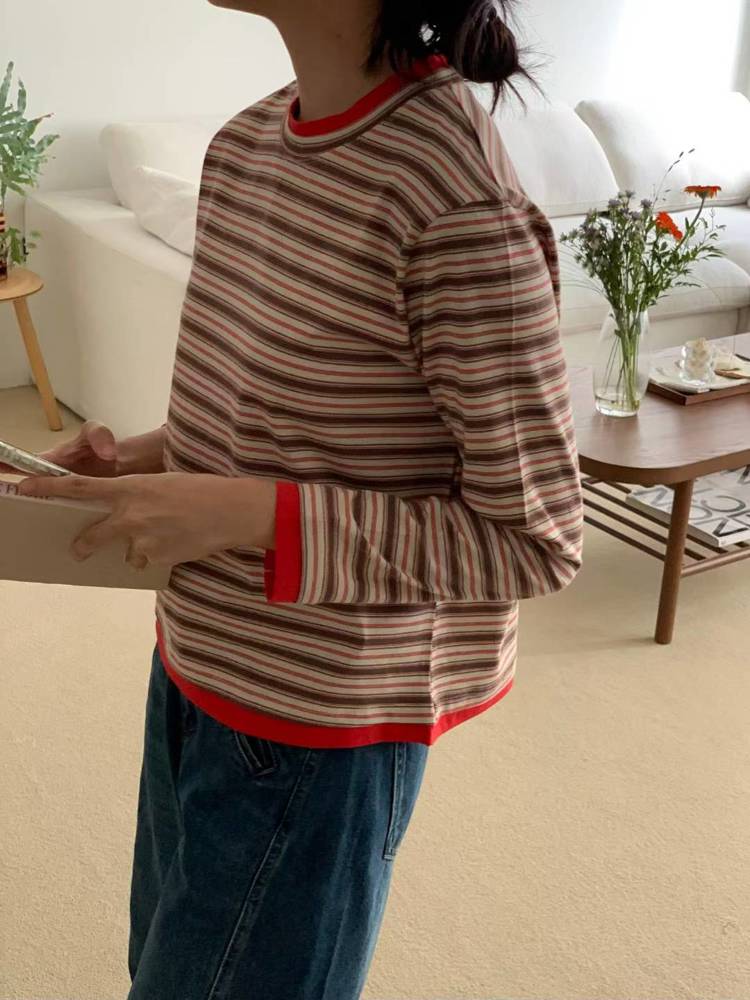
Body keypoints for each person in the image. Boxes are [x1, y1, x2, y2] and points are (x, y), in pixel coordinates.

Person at [14, 1, 584, 997]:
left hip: (320, 726)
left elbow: (535, 539)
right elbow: (270, 425)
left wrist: (245, 516)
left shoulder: (457, 204)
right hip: (193, 664)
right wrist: (137, 462)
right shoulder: (246, 147)